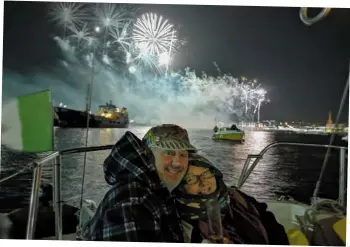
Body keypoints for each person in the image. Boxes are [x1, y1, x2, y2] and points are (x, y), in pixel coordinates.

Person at [82, 124, 197, 242]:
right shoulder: (133, 201)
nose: (177, 163)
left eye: (183, 155)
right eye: (168, 152)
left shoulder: (159, 188)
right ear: (147, 153)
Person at [173, 153, 290, 245]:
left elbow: (268, 220)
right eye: (191, 179)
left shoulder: (235, 196)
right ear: (181, 187)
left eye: (206, 174)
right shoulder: (182, 223)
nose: (203, 183)